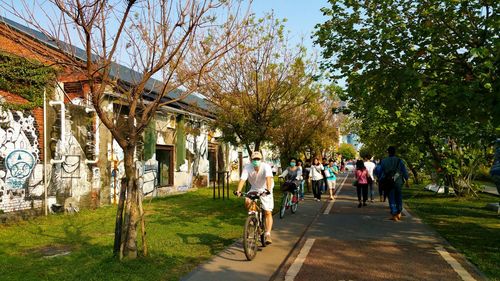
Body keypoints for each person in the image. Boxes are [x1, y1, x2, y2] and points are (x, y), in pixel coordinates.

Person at [236, 151, 275, 244]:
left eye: (258, 159)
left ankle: (268, 234)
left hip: (266, 188)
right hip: (254, 188)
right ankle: (254, 219)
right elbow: (242, 180)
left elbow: (268, 179)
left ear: (261, 160)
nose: (256, 161)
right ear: (251, 160)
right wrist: (238, 190)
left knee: (267, 212)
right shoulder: (247, 167)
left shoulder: (266, 166)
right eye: (254, 159)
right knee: (247, 201)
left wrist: (268, 190)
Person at [380, 146, 409, 221]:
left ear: (388, 152)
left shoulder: (384, 161)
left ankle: (394, 213)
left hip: (389, 182)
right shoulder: (400, 161)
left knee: (391, 197)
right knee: (399, 196)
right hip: (399, 181)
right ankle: (399, 211)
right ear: (395, 152)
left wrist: (381, 180)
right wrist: (407, 181)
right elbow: (404, 171)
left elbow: (381, 172)